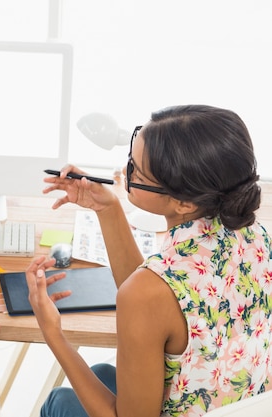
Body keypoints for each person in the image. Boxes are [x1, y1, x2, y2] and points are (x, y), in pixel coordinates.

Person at [28, 104, 272, 417]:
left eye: (135, 172)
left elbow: (146, 298)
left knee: (59, 401)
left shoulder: (149, 291)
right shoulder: (257, 236)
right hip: (237, 406)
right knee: (103, 373)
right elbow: (152, 301)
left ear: (183, 202)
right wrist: (108, 209)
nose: (123, 172)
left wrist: (53, 334)